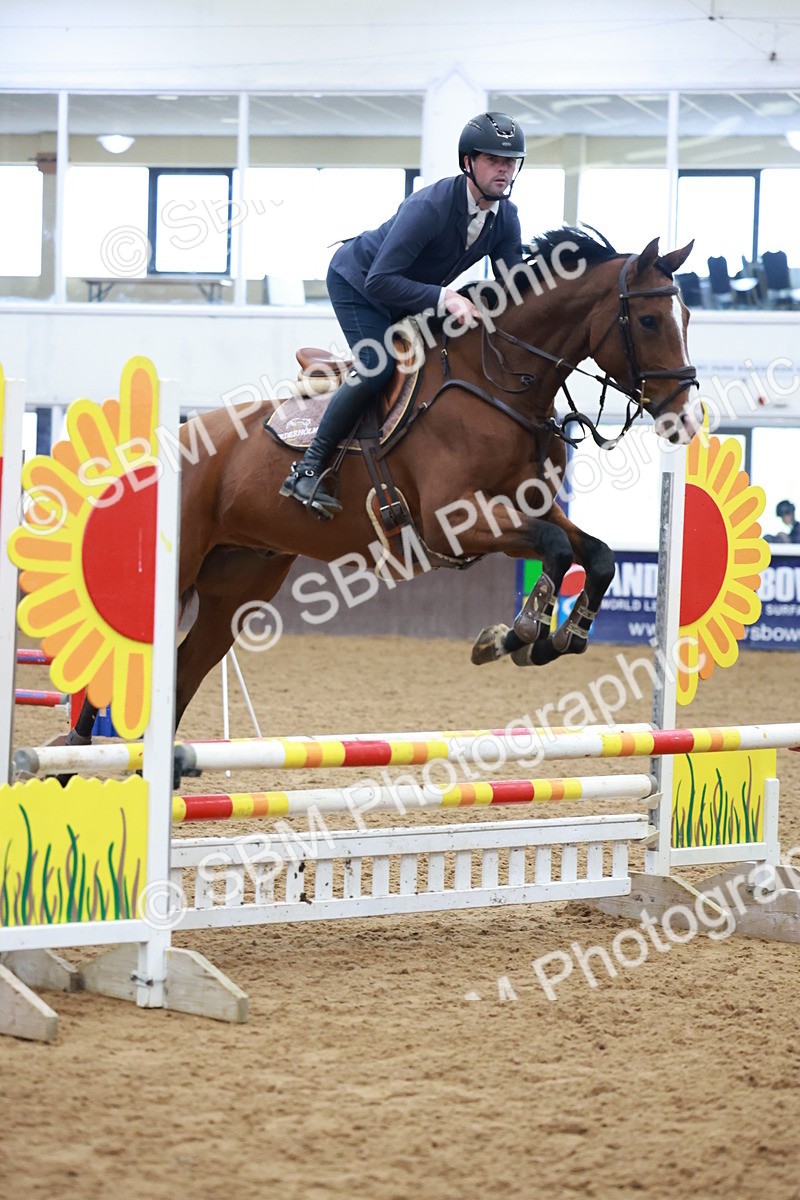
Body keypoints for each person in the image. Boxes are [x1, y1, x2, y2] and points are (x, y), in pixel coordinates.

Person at [279, 111, 527, 518]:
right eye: (493, 160)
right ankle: (307, 469)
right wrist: (447, 298)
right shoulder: (428, 207)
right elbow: (380, 281)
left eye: (510, 162)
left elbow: (515, 287)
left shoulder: (506, 218)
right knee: (378, 368)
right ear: (468, 162)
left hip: (409, 294)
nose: (503, 170)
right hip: (360, 284)